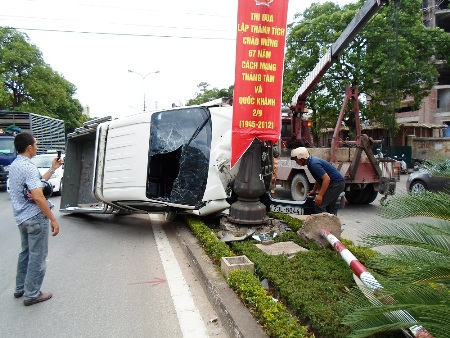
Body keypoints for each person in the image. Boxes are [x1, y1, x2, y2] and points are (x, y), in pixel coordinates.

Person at [9, 132, 62, 306]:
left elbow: (37, 184)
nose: (37, 147)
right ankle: (32, 294)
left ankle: (20, 288)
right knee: (38, 256)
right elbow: (39, 196)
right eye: (36, 144)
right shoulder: (29, 167)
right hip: (34, 217)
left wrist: (53, 169)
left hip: (21, 218)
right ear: (29, 147)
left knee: (25, 253)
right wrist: (53, 219)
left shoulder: (16, 165)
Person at [291, 147, 345, 215]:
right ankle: (331, 224)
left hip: (336, 184)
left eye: (296, 160)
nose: (296, 162)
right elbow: (318, 178)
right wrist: (314, 190)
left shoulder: (313, 164)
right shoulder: (310, 163)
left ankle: (322, 224)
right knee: (330, 208)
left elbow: (326, 179)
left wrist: (320, 195)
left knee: (319, 205)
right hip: (337, 183)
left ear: (302, 158)